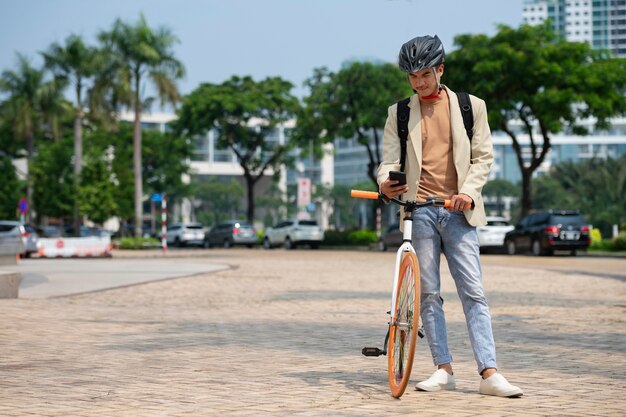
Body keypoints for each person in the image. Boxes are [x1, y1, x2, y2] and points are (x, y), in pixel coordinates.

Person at [377, 35, 523, 398]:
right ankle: (443, 368)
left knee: (473, 292)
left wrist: (468, 194)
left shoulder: (471, 106)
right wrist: (385, 183)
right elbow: (389, 161)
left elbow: (482, 157)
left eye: (425, 74)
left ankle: (490, 374)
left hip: (458, 213)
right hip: (419, 213)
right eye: (412, 76)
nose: (418, 83)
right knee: (428, 295)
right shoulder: (400, 112)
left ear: (440, 70)